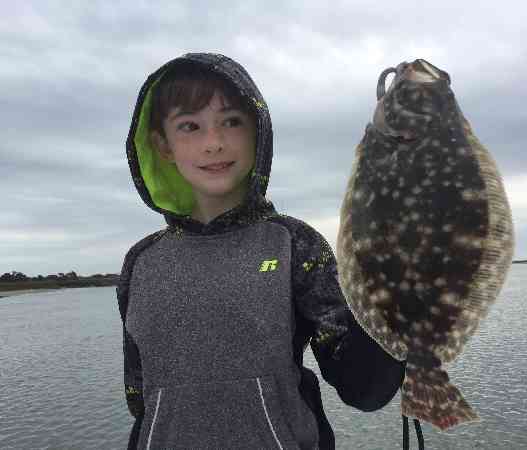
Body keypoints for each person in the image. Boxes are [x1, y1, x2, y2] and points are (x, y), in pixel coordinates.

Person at [117, 52, 406, 450]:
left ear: (258, 129)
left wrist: (391, 283)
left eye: (231, 122)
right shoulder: (142, 263)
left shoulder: (294, 244)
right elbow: (140, 398)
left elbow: (364, 389)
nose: (214, 143)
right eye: (190, 126)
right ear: (162, 145)